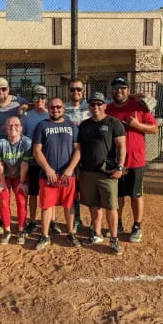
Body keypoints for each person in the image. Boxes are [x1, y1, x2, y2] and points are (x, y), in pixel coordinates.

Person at [106, 77, 158, 243]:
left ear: (128, 90)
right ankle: (118, 223)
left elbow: (154, 128)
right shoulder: (107, 108)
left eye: (122, 88)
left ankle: (137, 226)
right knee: (118, 195)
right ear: (111, 91)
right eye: (115, 88)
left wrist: (137, 125)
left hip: (136, 160)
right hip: (116, 161)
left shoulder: (139, 106)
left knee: (136, 195)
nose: (119, 91)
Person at [78, 92, 126, 255]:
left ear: (105, 105)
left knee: (111, 207)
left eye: (99, 104)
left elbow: (121, 146)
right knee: (93, 205)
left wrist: (120, 167)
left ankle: (113, 239)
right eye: (92, 104)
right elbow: (79, 149)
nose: (96, 107)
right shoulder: (84, 125)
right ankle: (97, 233)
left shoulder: (114, 123)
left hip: (107, 173)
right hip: (88, 172)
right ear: (89, 107)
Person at [32, 97, 81, 251]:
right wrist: (47, 169)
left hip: (67, 174)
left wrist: (70, 168)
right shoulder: (42, 126)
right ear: (48, 108)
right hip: (49, 175)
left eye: (59, 107)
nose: (56, 110)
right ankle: (45, 235)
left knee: (69, 205)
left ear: (63, 108)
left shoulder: (71, 126)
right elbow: (36, 150)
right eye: (52, 107)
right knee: (47, 206)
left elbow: (78, 150)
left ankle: (70, 233)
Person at [0, 116, 32, 245]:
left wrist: (22, 183)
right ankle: (7, 230)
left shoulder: (26, 142)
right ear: (5, 128)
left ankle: (21, 229)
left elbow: (24, 164)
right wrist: (2, 182)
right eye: (9, 125)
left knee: (21, 201)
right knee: (4, 202)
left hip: (20, 175)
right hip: (4, 175)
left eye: (16, 125)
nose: (13, 128)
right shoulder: (1, 143)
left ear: (21, 128)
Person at [21, 85, 51, 235]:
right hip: (33, 161)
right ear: (32, 99)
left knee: (49, 193)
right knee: (33, 193)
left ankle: (51, 222)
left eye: (43, 97)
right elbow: (23, 136)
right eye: (36, 97)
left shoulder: (50, 114)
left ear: (46, 99)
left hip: (48, 162)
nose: (39, 100)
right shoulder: (27, 116)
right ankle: (32, 221)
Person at [64, 78, 90, 233]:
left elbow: (115, 102)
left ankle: (95, 224)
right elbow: (46, 107)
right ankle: (77, 219)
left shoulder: (92, 105)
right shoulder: (63, 108)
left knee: (89, 188)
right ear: (69, 91)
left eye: (79, 89)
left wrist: (136, 96)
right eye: (73, 89)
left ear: (83, 90)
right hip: (71, 154)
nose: (76, 92)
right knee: (74, 189)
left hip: (88, 155)